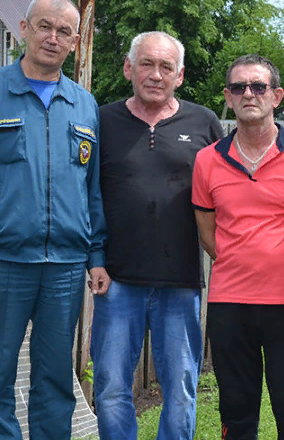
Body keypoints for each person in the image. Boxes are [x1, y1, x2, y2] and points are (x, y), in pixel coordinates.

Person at [0, 0, 108, 439]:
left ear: (75, 41)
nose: (53, 38)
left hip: (66, 269)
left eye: (64, 31)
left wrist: (96, 255)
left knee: (55, 381)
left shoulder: (85, 105)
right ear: (24, 29)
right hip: (1, 264)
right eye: (44, 27)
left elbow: (91, 190)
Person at [91, 31, 224, 439]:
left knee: (181, 390)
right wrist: (95, 258)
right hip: (117, 282)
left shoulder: (204, 123)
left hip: (181, 283)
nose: (155, 74)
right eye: (146, 64)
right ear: (129, 68)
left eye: (166, 67)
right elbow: (87, 193)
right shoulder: (102, 120)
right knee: (112, 388)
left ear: (179, 75)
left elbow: (231, 191)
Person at [192, 54, 284, 440]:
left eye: (258, 86)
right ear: (228, 97)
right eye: (238, 87)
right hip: (229, 304)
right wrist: (244, 260)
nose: (248, 94)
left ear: (276, 96)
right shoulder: (207, 160)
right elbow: (207, 232)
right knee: (235, 416)